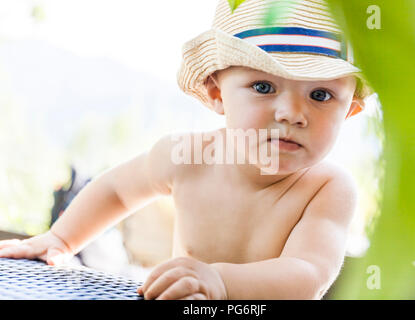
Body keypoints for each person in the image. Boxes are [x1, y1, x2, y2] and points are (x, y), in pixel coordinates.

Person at [0, 0, 373, 299]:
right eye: (263, 87)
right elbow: (115, 189)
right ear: (216, 93)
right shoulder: (186, 157)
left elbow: (307, 274)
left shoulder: (327, 188)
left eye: (320, 95)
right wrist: (61, 240)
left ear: (350, 111)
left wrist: (219, 282)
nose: (292, 113)